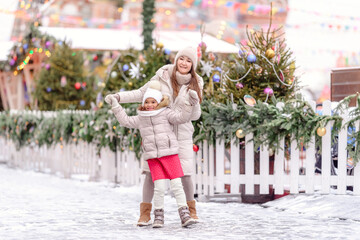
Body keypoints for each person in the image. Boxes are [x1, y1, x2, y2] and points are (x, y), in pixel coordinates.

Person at [105, 46, 203, 226]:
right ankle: (145, 213)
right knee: (150, 174)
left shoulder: (196, 82)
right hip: (157, 132)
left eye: (189, 61)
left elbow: (195, 115)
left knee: (185, 174)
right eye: (182, 58)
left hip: (182, 133)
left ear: (193, 65)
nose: (184, 63)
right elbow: (141, 94)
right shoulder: (162, 76)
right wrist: (118, 97)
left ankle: (191, 211)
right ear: (176, 60)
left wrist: (194, 103)